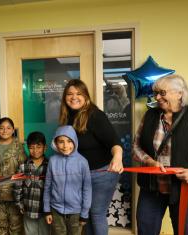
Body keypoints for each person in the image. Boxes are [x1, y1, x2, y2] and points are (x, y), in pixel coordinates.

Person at [133, 74, 188, 235]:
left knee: (185, 231)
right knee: (145, 230)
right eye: (156, 93)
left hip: (187, 189)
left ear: (179, 93)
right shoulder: (150, 115)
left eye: (162, 93)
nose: (158, 97)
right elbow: (136, 147)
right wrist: (149, 161)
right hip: (152, 187)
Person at [59, 79, 123, 235]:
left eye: (79, 94)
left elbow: (114, 141)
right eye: (70, 94)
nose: (74, 97)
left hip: (101, 173)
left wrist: (118, 157)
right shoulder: (68, 117)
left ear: (86, 96)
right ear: (65, 97)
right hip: (81, 175)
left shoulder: (95, 115)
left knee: (96, 213)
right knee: (85, 214)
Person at [43, 125, 92, 235]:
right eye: (61, 141)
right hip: (56, 210)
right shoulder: (52, 161)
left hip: (76, 212)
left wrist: (84, 213)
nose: (65, 146)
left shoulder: (82, 162)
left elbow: (87, 189)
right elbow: (47, 186)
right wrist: (47, 210)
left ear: (75, 141)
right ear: (55, 143)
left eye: (69, 141)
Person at [0, 117, 27, 235]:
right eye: (2, 128)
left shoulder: (18, 147)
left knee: (16, 227)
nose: (5, 131)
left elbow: (23, 169)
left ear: (12, 130)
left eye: (8, 128)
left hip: (14, 193)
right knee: (0, 226)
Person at [14, 131, 50, 235]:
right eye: (31, 147)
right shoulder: (23, 166)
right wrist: (19, 204)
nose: (35, 150)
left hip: (45, 211)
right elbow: (18, 188)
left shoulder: (50, 166)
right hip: (28, 209)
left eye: (38, 147)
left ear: (45, 147)